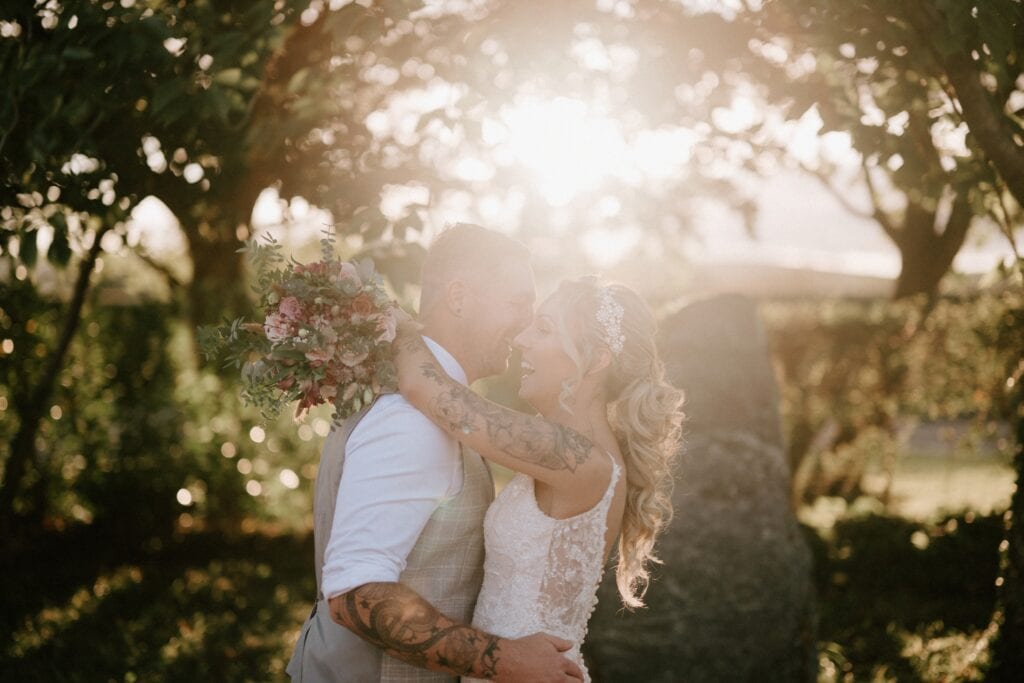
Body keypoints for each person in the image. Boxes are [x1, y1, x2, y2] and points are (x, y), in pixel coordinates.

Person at [287, 224, 583, 682]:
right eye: (517, 303)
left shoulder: (429, 405)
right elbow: (354, 590)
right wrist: (503, 659)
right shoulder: (411, 421)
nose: (525, 324)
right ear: (459, 297)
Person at [392, 275, 686, 682]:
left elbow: (429, 390)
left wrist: (395, 326)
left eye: (544, 329)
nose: (521, 339)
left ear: (597, 360)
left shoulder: (577, 457)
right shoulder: (574, 451)